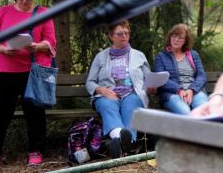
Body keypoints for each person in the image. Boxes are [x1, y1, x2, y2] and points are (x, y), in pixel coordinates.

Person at [0, 0, 56, 168]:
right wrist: (3, 49)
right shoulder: (3, 12)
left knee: (35, 113)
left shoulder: (43, 13)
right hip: (4, 70)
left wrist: (35, 46)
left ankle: (36, 151)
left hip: (32, 71)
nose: (26, 1)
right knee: (0, 113)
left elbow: (50, 41)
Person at [86, 20, 151, 158]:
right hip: (108, 95)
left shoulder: (139, 56)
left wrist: (152, 88)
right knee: (108, 106)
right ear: (111, 36)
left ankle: (119, 143)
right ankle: (127, 142)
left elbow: (148, 79)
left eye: (127, 33)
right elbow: (90, 82)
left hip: (132, 93)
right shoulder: (101, 57)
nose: (124, 37)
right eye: (120, 34)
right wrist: (101, 90)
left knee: (132, 108)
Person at [154, 24, 208, 114]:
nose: (176, 40)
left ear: (185, 41)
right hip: (172, 94)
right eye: (174, 36)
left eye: (180, 38)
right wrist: (179, 90)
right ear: (170, 37)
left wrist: (192, 90)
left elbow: (201, 75)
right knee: (185, 112)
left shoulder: (193, 54)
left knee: (203, 110)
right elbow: (161, 79)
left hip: (194, 92)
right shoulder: (161, 56)